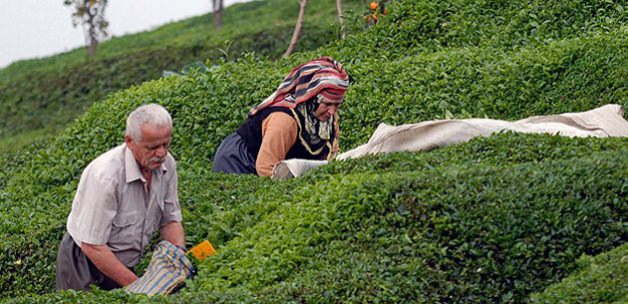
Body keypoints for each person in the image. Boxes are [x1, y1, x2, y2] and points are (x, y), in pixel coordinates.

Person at [56, 103, 186, 291]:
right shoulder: (106, 176)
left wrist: (177, 260)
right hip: (85, 263)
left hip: (122, 260)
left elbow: (170, 219)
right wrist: (139, 287)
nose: (161, 153)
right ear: (130, 142)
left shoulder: (168, 165)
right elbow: (92, 245)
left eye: (166, 144)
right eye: (152, 147)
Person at [212, 56, 350, 176]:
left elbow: (331, 156)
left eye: (337, 105)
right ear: (311, 98)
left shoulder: (326, 117)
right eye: (327, 104)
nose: (332, 112)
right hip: (238, 161)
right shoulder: (285, 121)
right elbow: (267, 168)